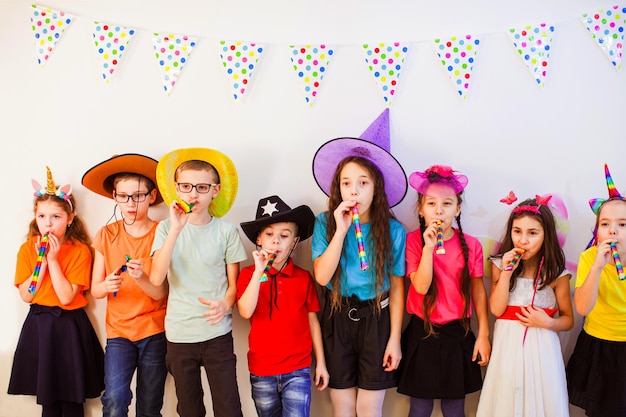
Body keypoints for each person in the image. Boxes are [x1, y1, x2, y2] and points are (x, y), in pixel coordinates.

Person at [311, 109, 407, 417]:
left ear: (376, 187)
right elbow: (322, 277)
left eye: (363, 183)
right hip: (337, 316)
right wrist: (340, 231)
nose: (354, 191)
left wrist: (394, 339)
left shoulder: (393, 231)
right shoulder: (325, 223)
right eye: (346, 183)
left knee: (369, 409)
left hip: (376, 321)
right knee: (342, 409)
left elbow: (396, 287)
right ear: (337, 188)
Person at [149, 148, 247, 417]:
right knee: (190, 409)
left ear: (214, 190)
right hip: (180, 334)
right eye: (186, 186)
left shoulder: (226, 231)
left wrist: (225, 303)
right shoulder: (166, 229)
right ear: (177, 190)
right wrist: (177, 228)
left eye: (202, 187)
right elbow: (157, 278)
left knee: (229, 408)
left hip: (217, 334)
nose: (194, 194)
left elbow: (234, 286)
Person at [8, 166, 104, 417]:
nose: (47, 223)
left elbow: (66, 297)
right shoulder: (28, 249)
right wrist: (40, 260)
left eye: (56, 217)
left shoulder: (80, 251)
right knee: (48, 398)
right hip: (40, 326)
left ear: (70, 218)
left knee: (73, 398)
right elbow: (27, 295)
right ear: (35, 218)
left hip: (69, 326)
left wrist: (53, 260)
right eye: (42, 217)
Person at [396, 164, 490, 417]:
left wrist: (483, 335)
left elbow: (478, 291)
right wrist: (428, 248)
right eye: (431, 204)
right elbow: (421, 286)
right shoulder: (413, 241)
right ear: (420, 208)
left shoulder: (471, 245)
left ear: (457, 208)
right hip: (422, 332)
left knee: (454, 407)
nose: (439, 210)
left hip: (458, 333)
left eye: (447, 204)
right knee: (420, 407)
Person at [81, 153, 168, 417]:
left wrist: (142, 278)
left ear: (151, 196)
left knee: (150, 405)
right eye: (123, 196)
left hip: (155, 330)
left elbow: (161, 292)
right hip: (118, 332)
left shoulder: (161, 233)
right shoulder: (106, 234)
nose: (131, 203)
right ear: (114, 197)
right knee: (115, 400)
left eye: (138, 195)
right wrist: (105, 285)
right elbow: (95, 290)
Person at [476, 193, 573, 417]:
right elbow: (496, 310)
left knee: (541, 400)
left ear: (545, 235)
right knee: (507, 399)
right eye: (517, 231)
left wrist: (549, 322)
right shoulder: (500, 265)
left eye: (532, 233)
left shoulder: (556, 273)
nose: (523, 240)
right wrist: (508, 273)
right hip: (507, 348)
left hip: (542, 350)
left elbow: (568, 319)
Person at [237, 195, 329, 417]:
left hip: (298, 370)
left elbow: (312, 322)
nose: (276, 241)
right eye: (269, 234)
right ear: (259, 239)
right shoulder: (248, 275)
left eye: (284, 236)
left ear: (294, 242)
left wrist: (322, 364)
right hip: (261, 370)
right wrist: (259, 271)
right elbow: (245, 311)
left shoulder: (303, 278)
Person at [567, 164, 626, 417]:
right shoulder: (591, 258)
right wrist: (597, 268)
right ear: (598, 230)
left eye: (622, 224)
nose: (613, 230)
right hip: (599, 345)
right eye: (605, 224)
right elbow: (581, 308)